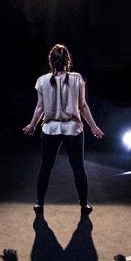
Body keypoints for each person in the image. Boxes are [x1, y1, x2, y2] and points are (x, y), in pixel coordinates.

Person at [23, 44, 104, 215]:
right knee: (78, 168)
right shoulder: (77, 78)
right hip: (72, 129)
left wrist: (32, 125)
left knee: (45, 167)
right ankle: (84, 205)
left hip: (50, 130)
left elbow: (39, 107)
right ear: (68, 60)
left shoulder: (42, 80)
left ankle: (39, 204)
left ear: (51, 61)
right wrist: (94, 127)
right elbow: (83, 106)